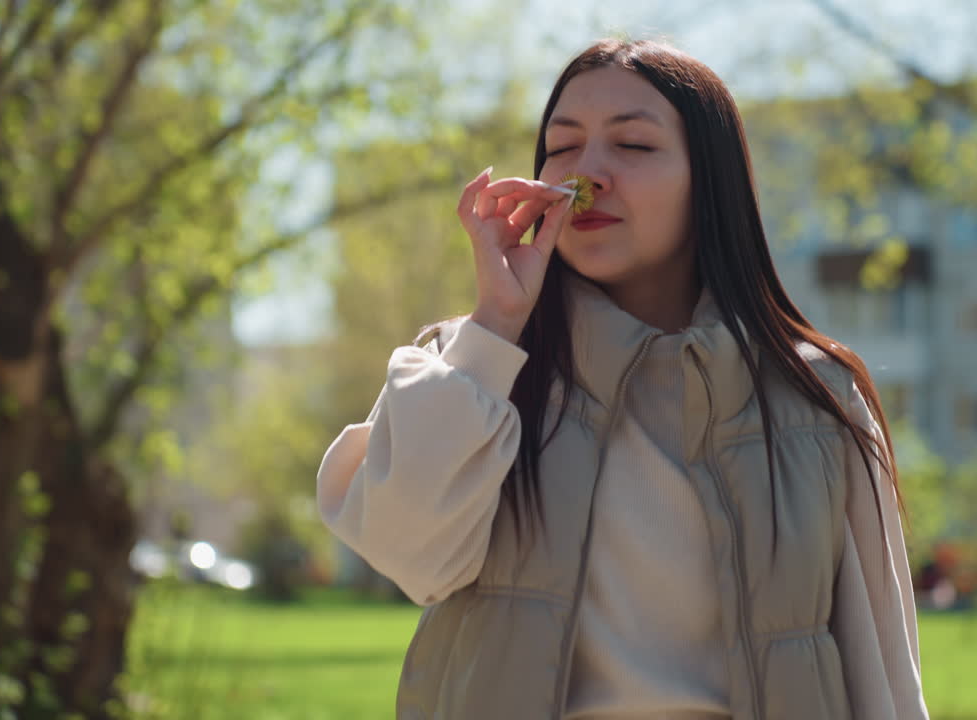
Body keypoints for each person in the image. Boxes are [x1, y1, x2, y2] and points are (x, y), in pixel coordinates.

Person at [316, 38, 929, 720]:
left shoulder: (815, 395)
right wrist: (495, 324)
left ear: (710, 182)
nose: (587, 175)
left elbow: (885, 677)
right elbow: (408, 555)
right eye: (563, 146)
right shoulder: (471, 370)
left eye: (633, 147)